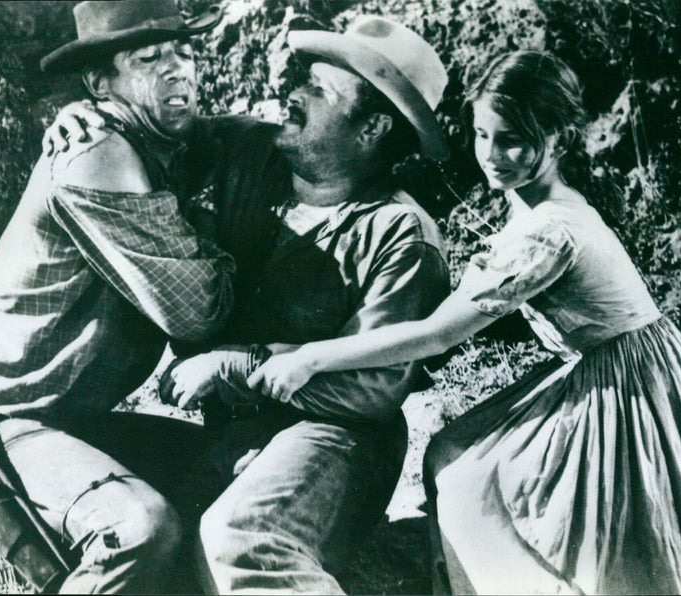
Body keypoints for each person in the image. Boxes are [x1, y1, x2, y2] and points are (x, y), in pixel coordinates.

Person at [246, 50, 681, 594]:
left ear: (559, 139)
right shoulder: (535, 200)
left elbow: (437, 333)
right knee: (451, 453)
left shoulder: (548, 232)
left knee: (479, 488)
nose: (490, 154)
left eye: (511, 140)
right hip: (607, 358)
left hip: (624, 383)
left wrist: (309, 358)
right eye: (482, 135)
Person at [45, 13, 453, 595]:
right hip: (231, 438)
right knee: (73, 468)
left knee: (242, 538)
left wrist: (238, 364)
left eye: (318, 90)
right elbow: (152, 123)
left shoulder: (402, 235)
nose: (294, 93)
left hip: (339, 444)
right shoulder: (248, 152)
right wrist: (88, 116)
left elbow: (372, 388)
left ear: (373, 127)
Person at [0, 1, 234, 593]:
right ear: (101, 84)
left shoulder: (161, 140)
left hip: (70, 420)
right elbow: (197, 312)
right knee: (139, 529)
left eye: (184, 52)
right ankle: (16, 551)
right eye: (149, 58)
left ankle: (12, 563)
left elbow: (247, 137)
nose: (177, 68)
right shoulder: (97, 153)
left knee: (233, 482)